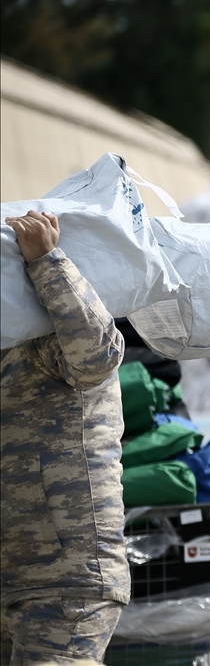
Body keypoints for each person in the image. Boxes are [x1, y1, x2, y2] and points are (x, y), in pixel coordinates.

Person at [1, 211, 130, 664]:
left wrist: (47, 260)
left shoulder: (49, 338)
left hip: (67, 581)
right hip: (11, 578)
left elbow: (97, 355)